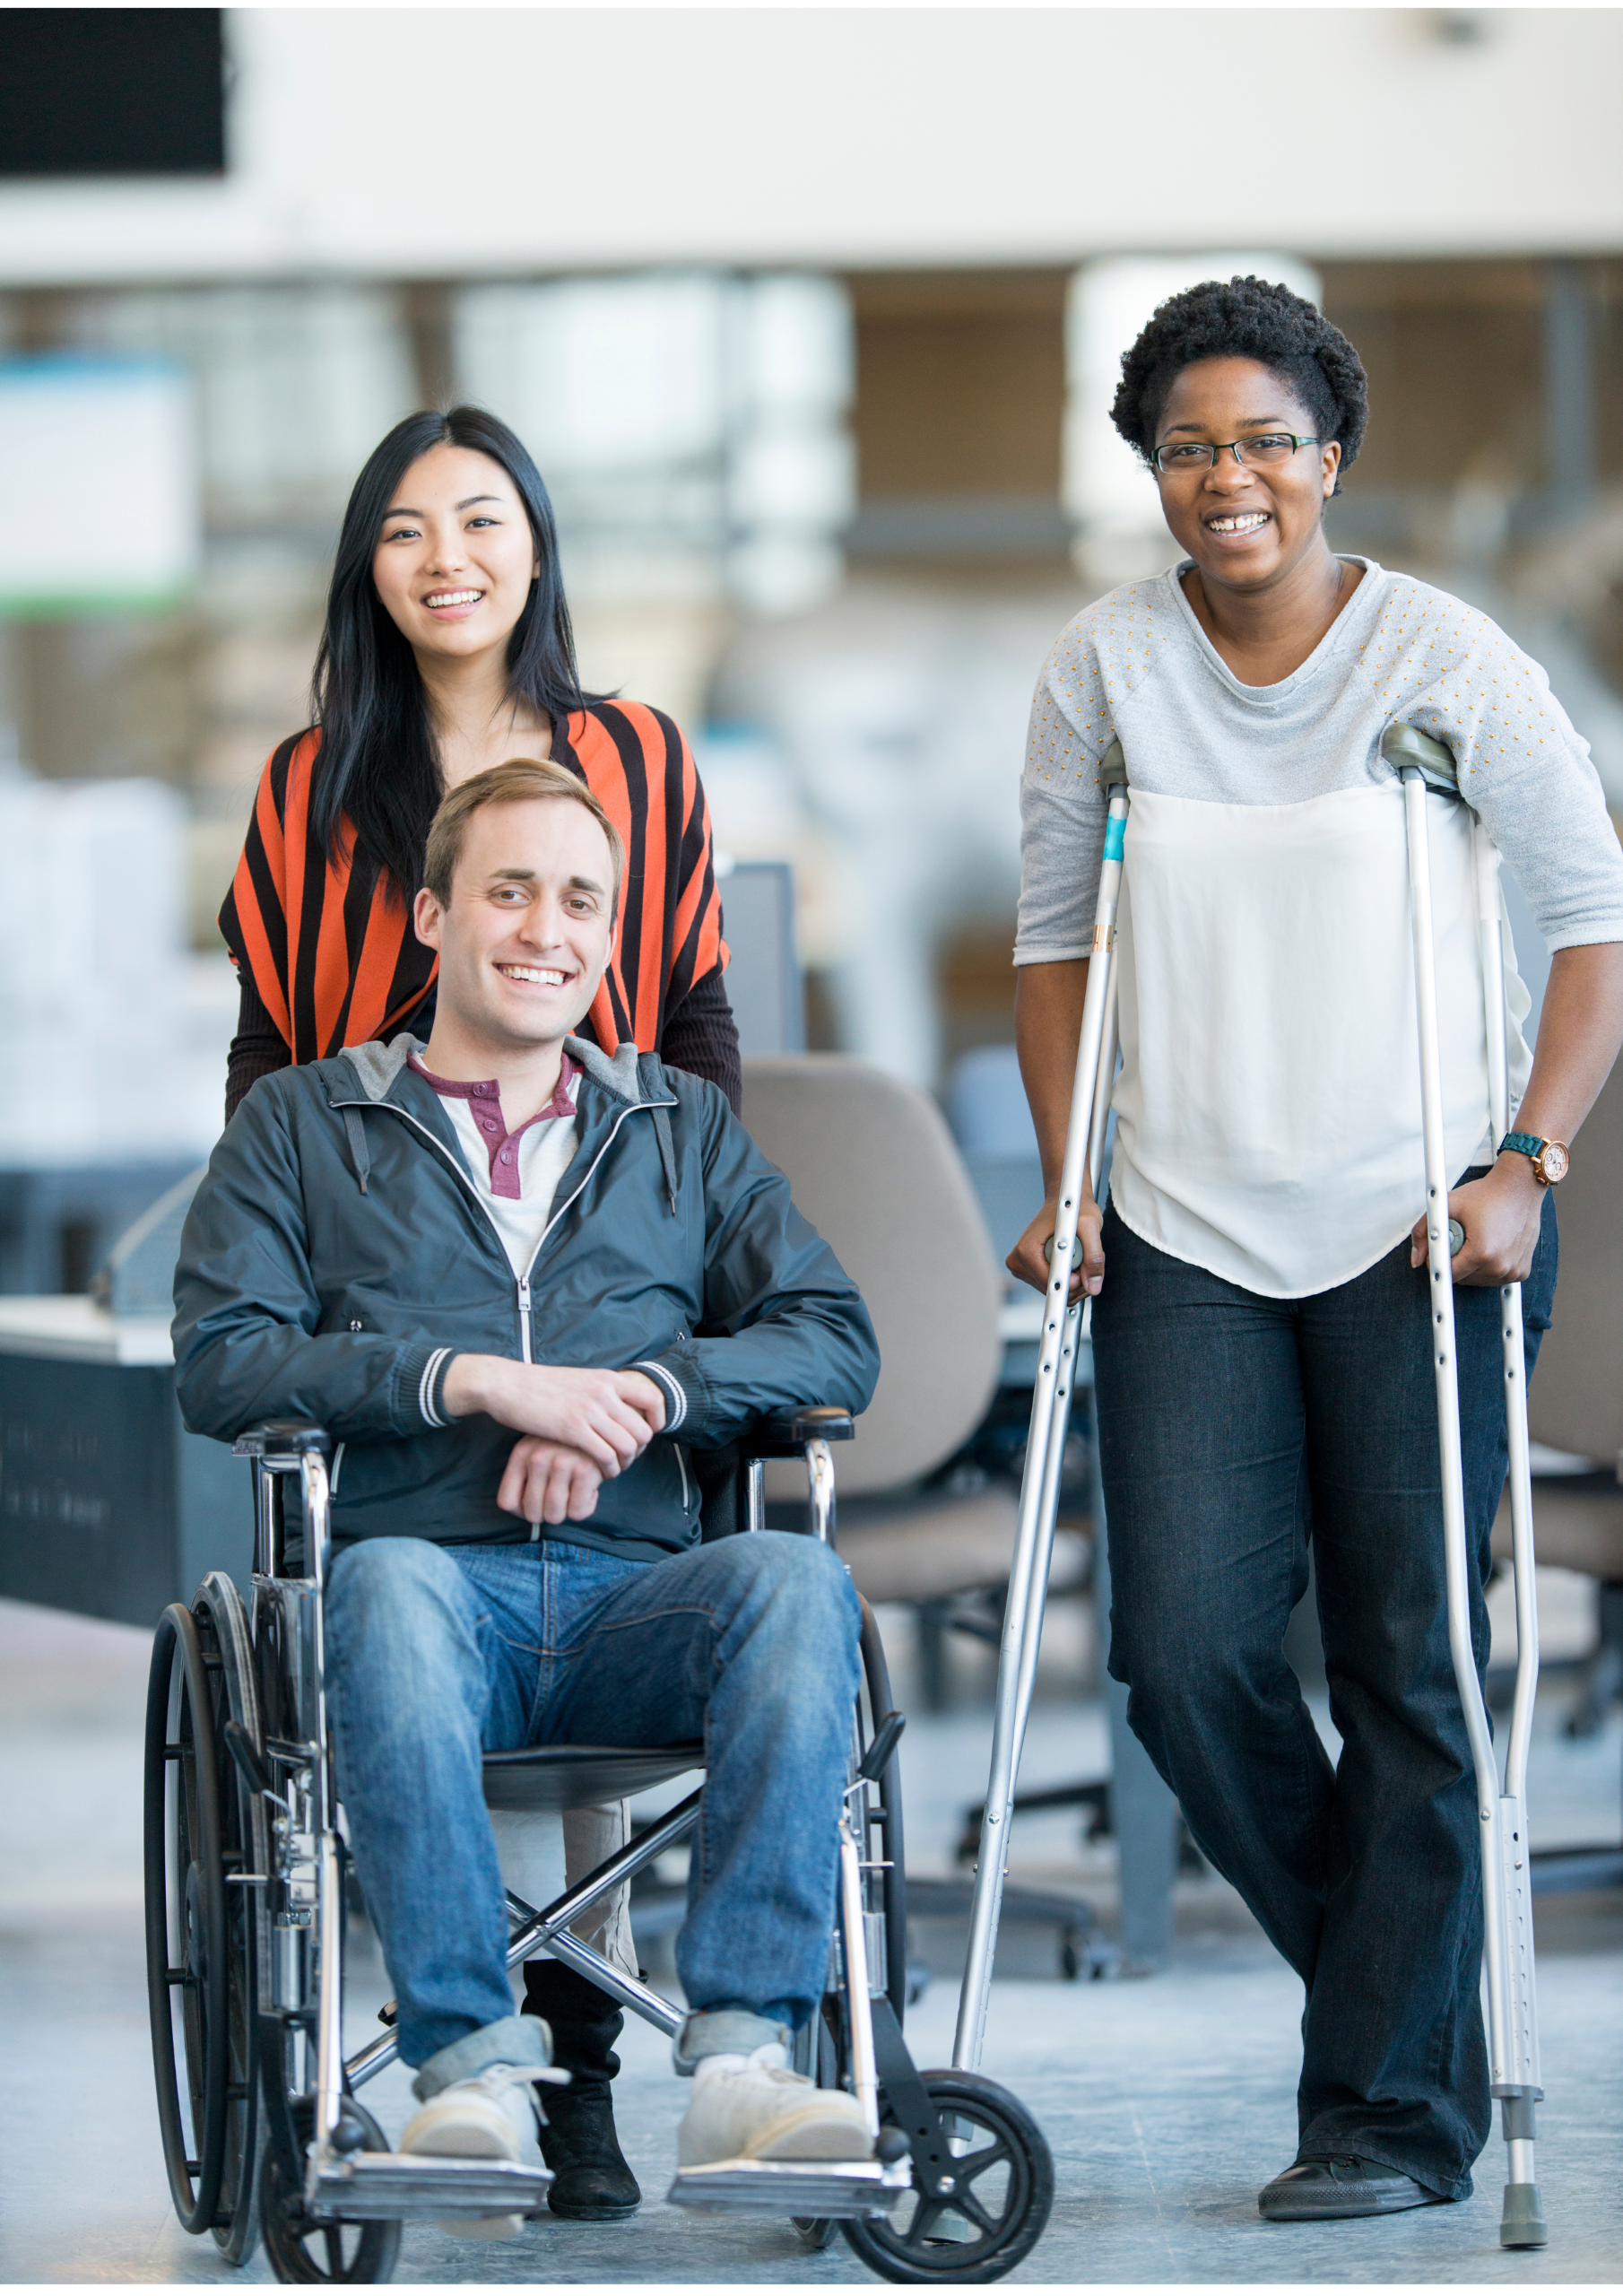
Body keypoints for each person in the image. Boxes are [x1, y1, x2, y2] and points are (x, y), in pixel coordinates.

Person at [1009, 277, 1623, 2222]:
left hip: (1416, 1219)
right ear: (1150, 471)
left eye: (1263, 440)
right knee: (1185, 1656)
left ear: (1326, 457)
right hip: (1180, 1217)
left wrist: (1526, 1156)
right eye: (1187, 447)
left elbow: (1592, 919)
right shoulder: (1098, 672)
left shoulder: (1440, 659)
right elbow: (1050, 948)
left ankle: (1381, 2110)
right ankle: (1393, 1981)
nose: (1227, 478)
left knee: (1411, 1659)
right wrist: (1065, 1173)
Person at [175, 758, 881, 2231]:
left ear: (612, 936)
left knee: (795, 1579)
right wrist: (476, 1381)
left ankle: (748, 2059)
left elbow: (831, 1332)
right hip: (428, 1601)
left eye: (580, 901)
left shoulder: (676, 1125)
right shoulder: (305, 1124)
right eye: (508, 891)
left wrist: (642, 1398)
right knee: (382, 1581)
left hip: (640, 1601)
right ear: (432, 915)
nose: (545, 929)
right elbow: (224, 1364)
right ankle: (468, 2068)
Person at [216, 404, 741, 2212]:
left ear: (535, 549)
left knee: (635, 1590)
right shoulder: (313, 783)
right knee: (399, 1608)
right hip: (400, 1313)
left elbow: (689, 1042)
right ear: (368, 564)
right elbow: (275, 1058)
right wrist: (317, 1303)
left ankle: (578, 2066)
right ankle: (457, 2059)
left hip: (601, 1295)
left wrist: (613, 1358)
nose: (449, 558)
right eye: (407, 529)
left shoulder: (639, 756)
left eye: (485, 520)